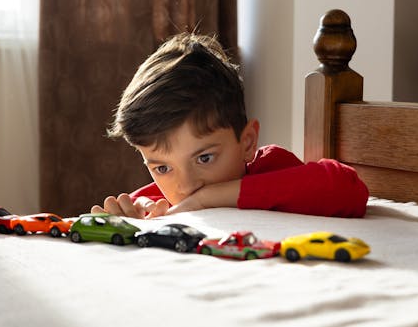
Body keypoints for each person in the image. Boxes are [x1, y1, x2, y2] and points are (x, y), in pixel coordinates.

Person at [91, 33, 368, 219]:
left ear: (247, 143)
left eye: (204, 157)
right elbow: (134, 212)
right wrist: (129, 216)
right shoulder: (159, 200)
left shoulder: (271, 167)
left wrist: (213, 196)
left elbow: (351, 190)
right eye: (162, 168)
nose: (185, 186)